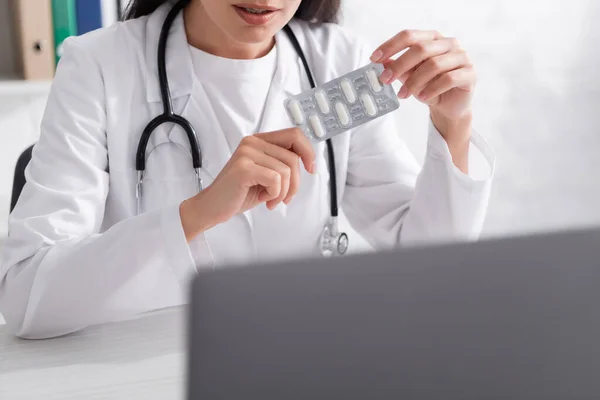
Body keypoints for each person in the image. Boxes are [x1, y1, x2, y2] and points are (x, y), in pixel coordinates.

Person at [0, 0, 495, 339]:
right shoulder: (99, 66)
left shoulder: (336, 60)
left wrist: (454, 124)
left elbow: (430, 260)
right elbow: (26, 296)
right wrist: (195, 214)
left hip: (301, 366)